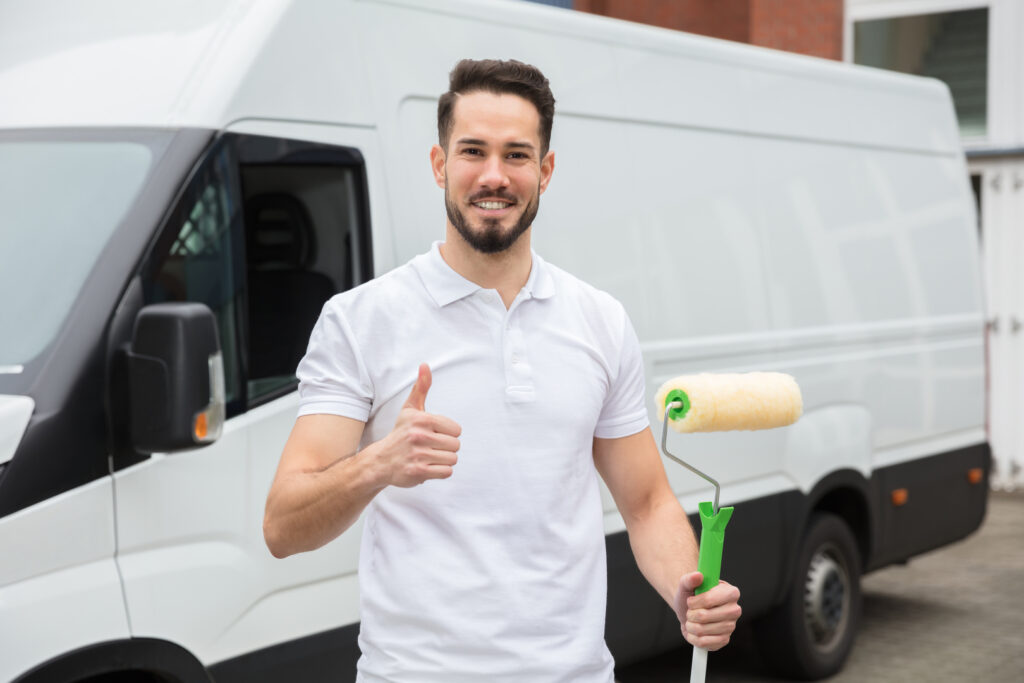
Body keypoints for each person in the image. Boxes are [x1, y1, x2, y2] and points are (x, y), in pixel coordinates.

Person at [263, 58, 741, 683]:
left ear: (545, 171)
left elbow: (647, 503)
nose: (494, 175)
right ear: (440, 165)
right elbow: (282, 526)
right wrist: (378, 463)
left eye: (517, 155)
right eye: (473, 151)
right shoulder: (361, 320)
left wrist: (687, 593)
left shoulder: (598, 320)